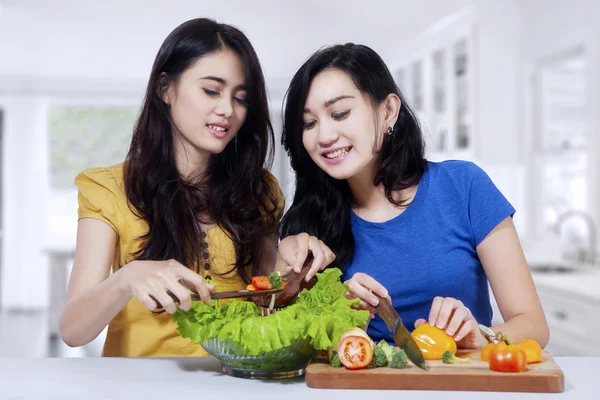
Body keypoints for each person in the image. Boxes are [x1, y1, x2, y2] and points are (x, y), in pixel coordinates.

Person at [60, 18, 334, 357]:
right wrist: (126, 278)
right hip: (138, 385)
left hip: (235, 380)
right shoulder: (107, 188)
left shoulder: (259, 190)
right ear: (166, 89)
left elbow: (266, 301)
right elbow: (73, 331)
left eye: (241, 98)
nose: (227, 110)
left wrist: (290, 278)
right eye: (211, 90)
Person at [279, 43, 549, 349]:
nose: (324, 136)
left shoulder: (464, 186)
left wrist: (482, 337)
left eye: (339, 113)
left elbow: (533, 324)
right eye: (309, 123)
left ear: (389, 111)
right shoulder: (308, 227)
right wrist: (339, 317)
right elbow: (292, 346)